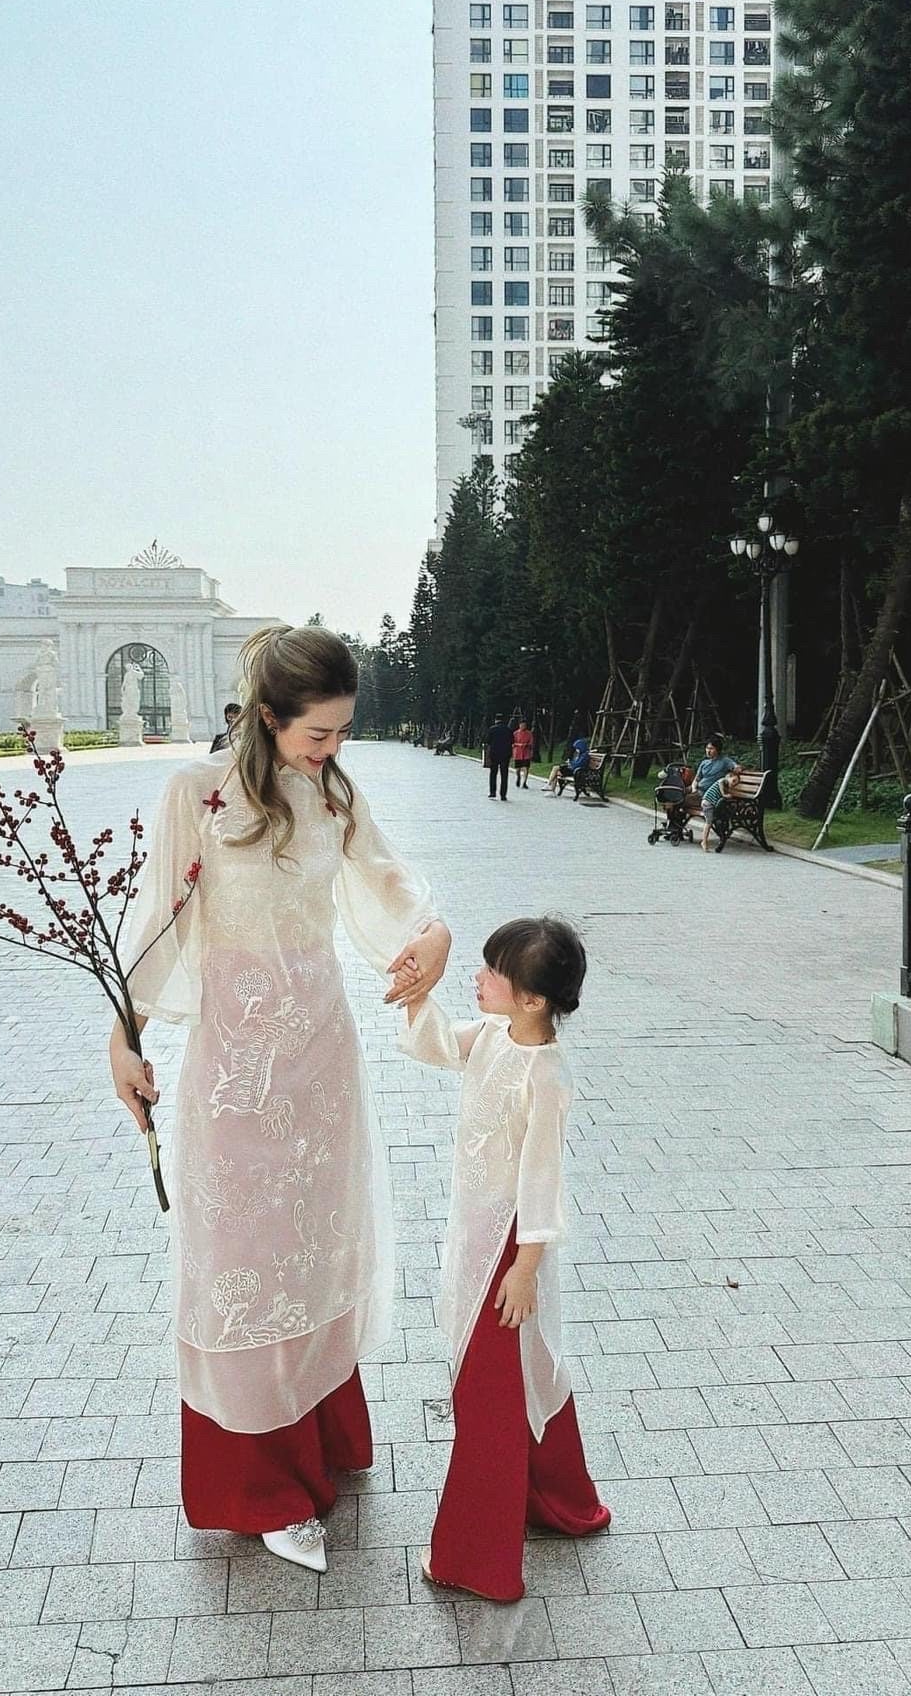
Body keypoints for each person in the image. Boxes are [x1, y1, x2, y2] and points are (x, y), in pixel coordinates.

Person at [110, 625, 452, 1574]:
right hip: (236, 1072)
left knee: (316, 1243)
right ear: (269, 716)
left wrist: (434, 936)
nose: (331, 750)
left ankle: (324, 1437)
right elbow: (158, 927)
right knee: (243, 1258)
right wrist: (123, 1037)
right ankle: (258, 1486)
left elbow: (387, 884)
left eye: (343, 732)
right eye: (317, 735)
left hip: (322, 1060)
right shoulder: (200, 797)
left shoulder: (335, 792)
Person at [397, 916, 610, 1602]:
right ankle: (563, 1501)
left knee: (488, 1394)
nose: (478, 979)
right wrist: (415, 993)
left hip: (510, 1245)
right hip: (476, 1230)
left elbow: (543, 1180)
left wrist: (525, 1268)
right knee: (529, 1371)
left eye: (493, 973)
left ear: (533, 1000)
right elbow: (434, 1046)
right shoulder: (492, 1035)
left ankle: (474, 1558)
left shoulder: (545, 1078)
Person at [691, 734, 742, 849]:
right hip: (696, 790)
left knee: (678, 798)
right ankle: (673, 827)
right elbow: (696, 779)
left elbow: (735, 767)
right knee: (673, 792)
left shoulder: (724, 761)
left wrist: (737, 768)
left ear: (717, 750)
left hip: (705, 794)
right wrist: (694, 787)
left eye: (711, 749)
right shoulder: (704, 763)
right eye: (707, 748)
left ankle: (674, 827)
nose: (708, 751)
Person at [485, 713, 514, 801]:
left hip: (494, 754)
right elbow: (512, 741)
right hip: (505, 754)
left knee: (493, 773)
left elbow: (488, 741)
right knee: (504, 774)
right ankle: (503, 795)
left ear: (495, 720)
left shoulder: (492, 729)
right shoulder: (508, 730)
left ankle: (492, 792)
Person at [511, 718, 535, 788]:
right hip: (518, 753)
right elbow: (512, 743)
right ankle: (518, 777)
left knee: (526, 768)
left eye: (525, 725)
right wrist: (519, 745)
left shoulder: (529, 733)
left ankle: (524, 782)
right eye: (522, 725)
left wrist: (527, 745)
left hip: (526, 753)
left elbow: (531, 743)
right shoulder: (515, 733)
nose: (523, 726)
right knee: (518, 769)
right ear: (519, 725)